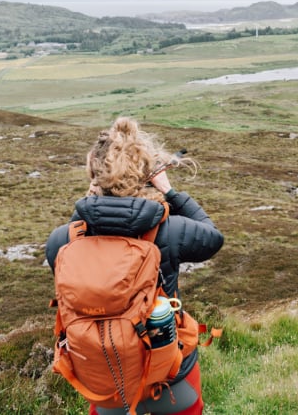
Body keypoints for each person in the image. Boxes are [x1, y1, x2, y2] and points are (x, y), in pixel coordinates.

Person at [46, 117, 224, 415]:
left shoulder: (62, 240)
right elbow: (212, 237)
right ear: (145, 172)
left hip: (106, 390)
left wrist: (91, 198)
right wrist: (168, 191)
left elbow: (73, 239)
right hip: (172, 382)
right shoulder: (170, 230)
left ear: (95, 174)